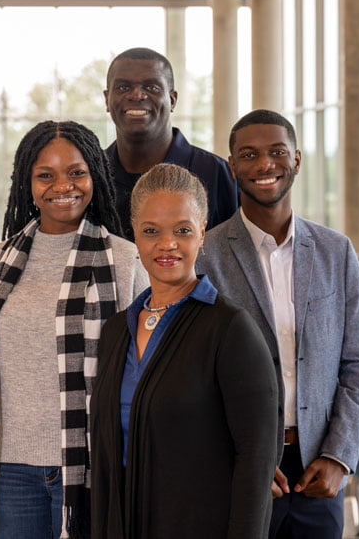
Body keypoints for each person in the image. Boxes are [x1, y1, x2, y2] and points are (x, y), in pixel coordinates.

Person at [0, 120, 148, 539]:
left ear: (95, 174)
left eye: (77, 172)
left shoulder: (125, 260)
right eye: (46, 175)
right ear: (27, 182)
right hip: (8, 472)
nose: (64, 185)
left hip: (94, 464)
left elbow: (145, 375)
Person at [195, 110, 359, 538]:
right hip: (240, 472)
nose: (265, 164)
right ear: (231, 165)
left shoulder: (337, 251)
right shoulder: (206, 255)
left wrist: (339, 456)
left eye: (277, 152)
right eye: (249, 154)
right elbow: (196, 378)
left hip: (318, 471)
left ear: (296, 160)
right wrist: (242, 459)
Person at [90, 163, 278, 538]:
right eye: (151, 231)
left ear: (202, 233)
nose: (167, 244)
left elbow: (256, 464)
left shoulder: (231, 330)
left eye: (182, 230)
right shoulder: (115, 331)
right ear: (134, 236)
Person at [103, 47, 238, 240]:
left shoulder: (220, 176)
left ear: (172, 100)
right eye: (123, 87)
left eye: (152, 87)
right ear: (107, 100)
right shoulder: (90, 177)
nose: (137, 95)